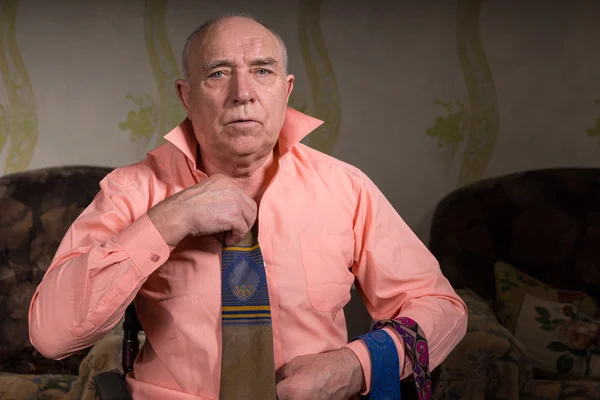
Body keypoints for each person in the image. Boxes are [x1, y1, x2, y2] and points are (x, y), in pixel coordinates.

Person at [28, 14, 467, 400]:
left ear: (285, 89)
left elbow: (440, 305)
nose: (243, 92)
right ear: (186, 95)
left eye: (263, 71)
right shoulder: (131, 189)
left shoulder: (346, 188)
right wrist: (168, 219)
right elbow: (51, 335)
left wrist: (355, 367)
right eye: (218, 73)